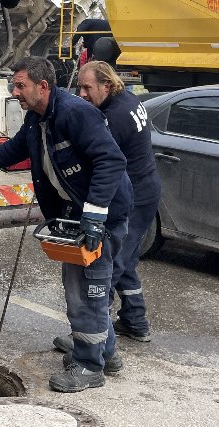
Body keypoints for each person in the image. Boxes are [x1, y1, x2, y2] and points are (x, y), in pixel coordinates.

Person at [0, 56, 133, 393]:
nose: (14, 91)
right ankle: (104, 351)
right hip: (78, 213)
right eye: (14, 85)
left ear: (42, 86)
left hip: (101, 215)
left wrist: (93, 214)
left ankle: (90, 366)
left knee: (86, 288)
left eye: (20, 86)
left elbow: (111, 160)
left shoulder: (75, 113)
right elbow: (15, 150)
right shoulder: (38, 118)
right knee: (91, 284)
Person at [51, 61, 161, 354]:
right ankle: (135, 321)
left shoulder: (114, 117)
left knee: (105, 269)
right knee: (125, 258)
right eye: (80, 87)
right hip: (145, 188)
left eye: (88, 88)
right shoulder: (127, 98)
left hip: (134, 195)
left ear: (107, 86)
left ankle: (94, 341)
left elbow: (96, 157)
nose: (82, 94)